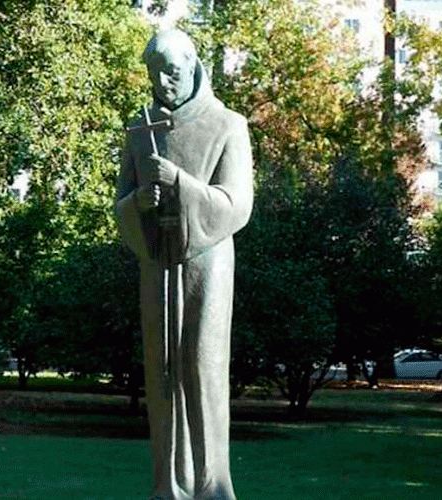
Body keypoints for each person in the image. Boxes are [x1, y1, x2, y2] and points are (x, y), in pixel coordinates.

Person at [115, 29, 253, 500]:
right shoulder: (140, 128)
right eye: (154, 74)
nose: (163, 83)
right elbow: (121, 204)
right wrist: (139, 203)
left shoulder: (227, 124)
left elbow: (237, 204)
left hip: (206, 262)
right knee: (161, 369)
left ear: (193, 65)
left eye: (171, 72)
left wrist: (180, 183)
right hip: (156, 261)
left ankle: (212, 486)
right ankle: (168, 485)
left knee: (202, 365)